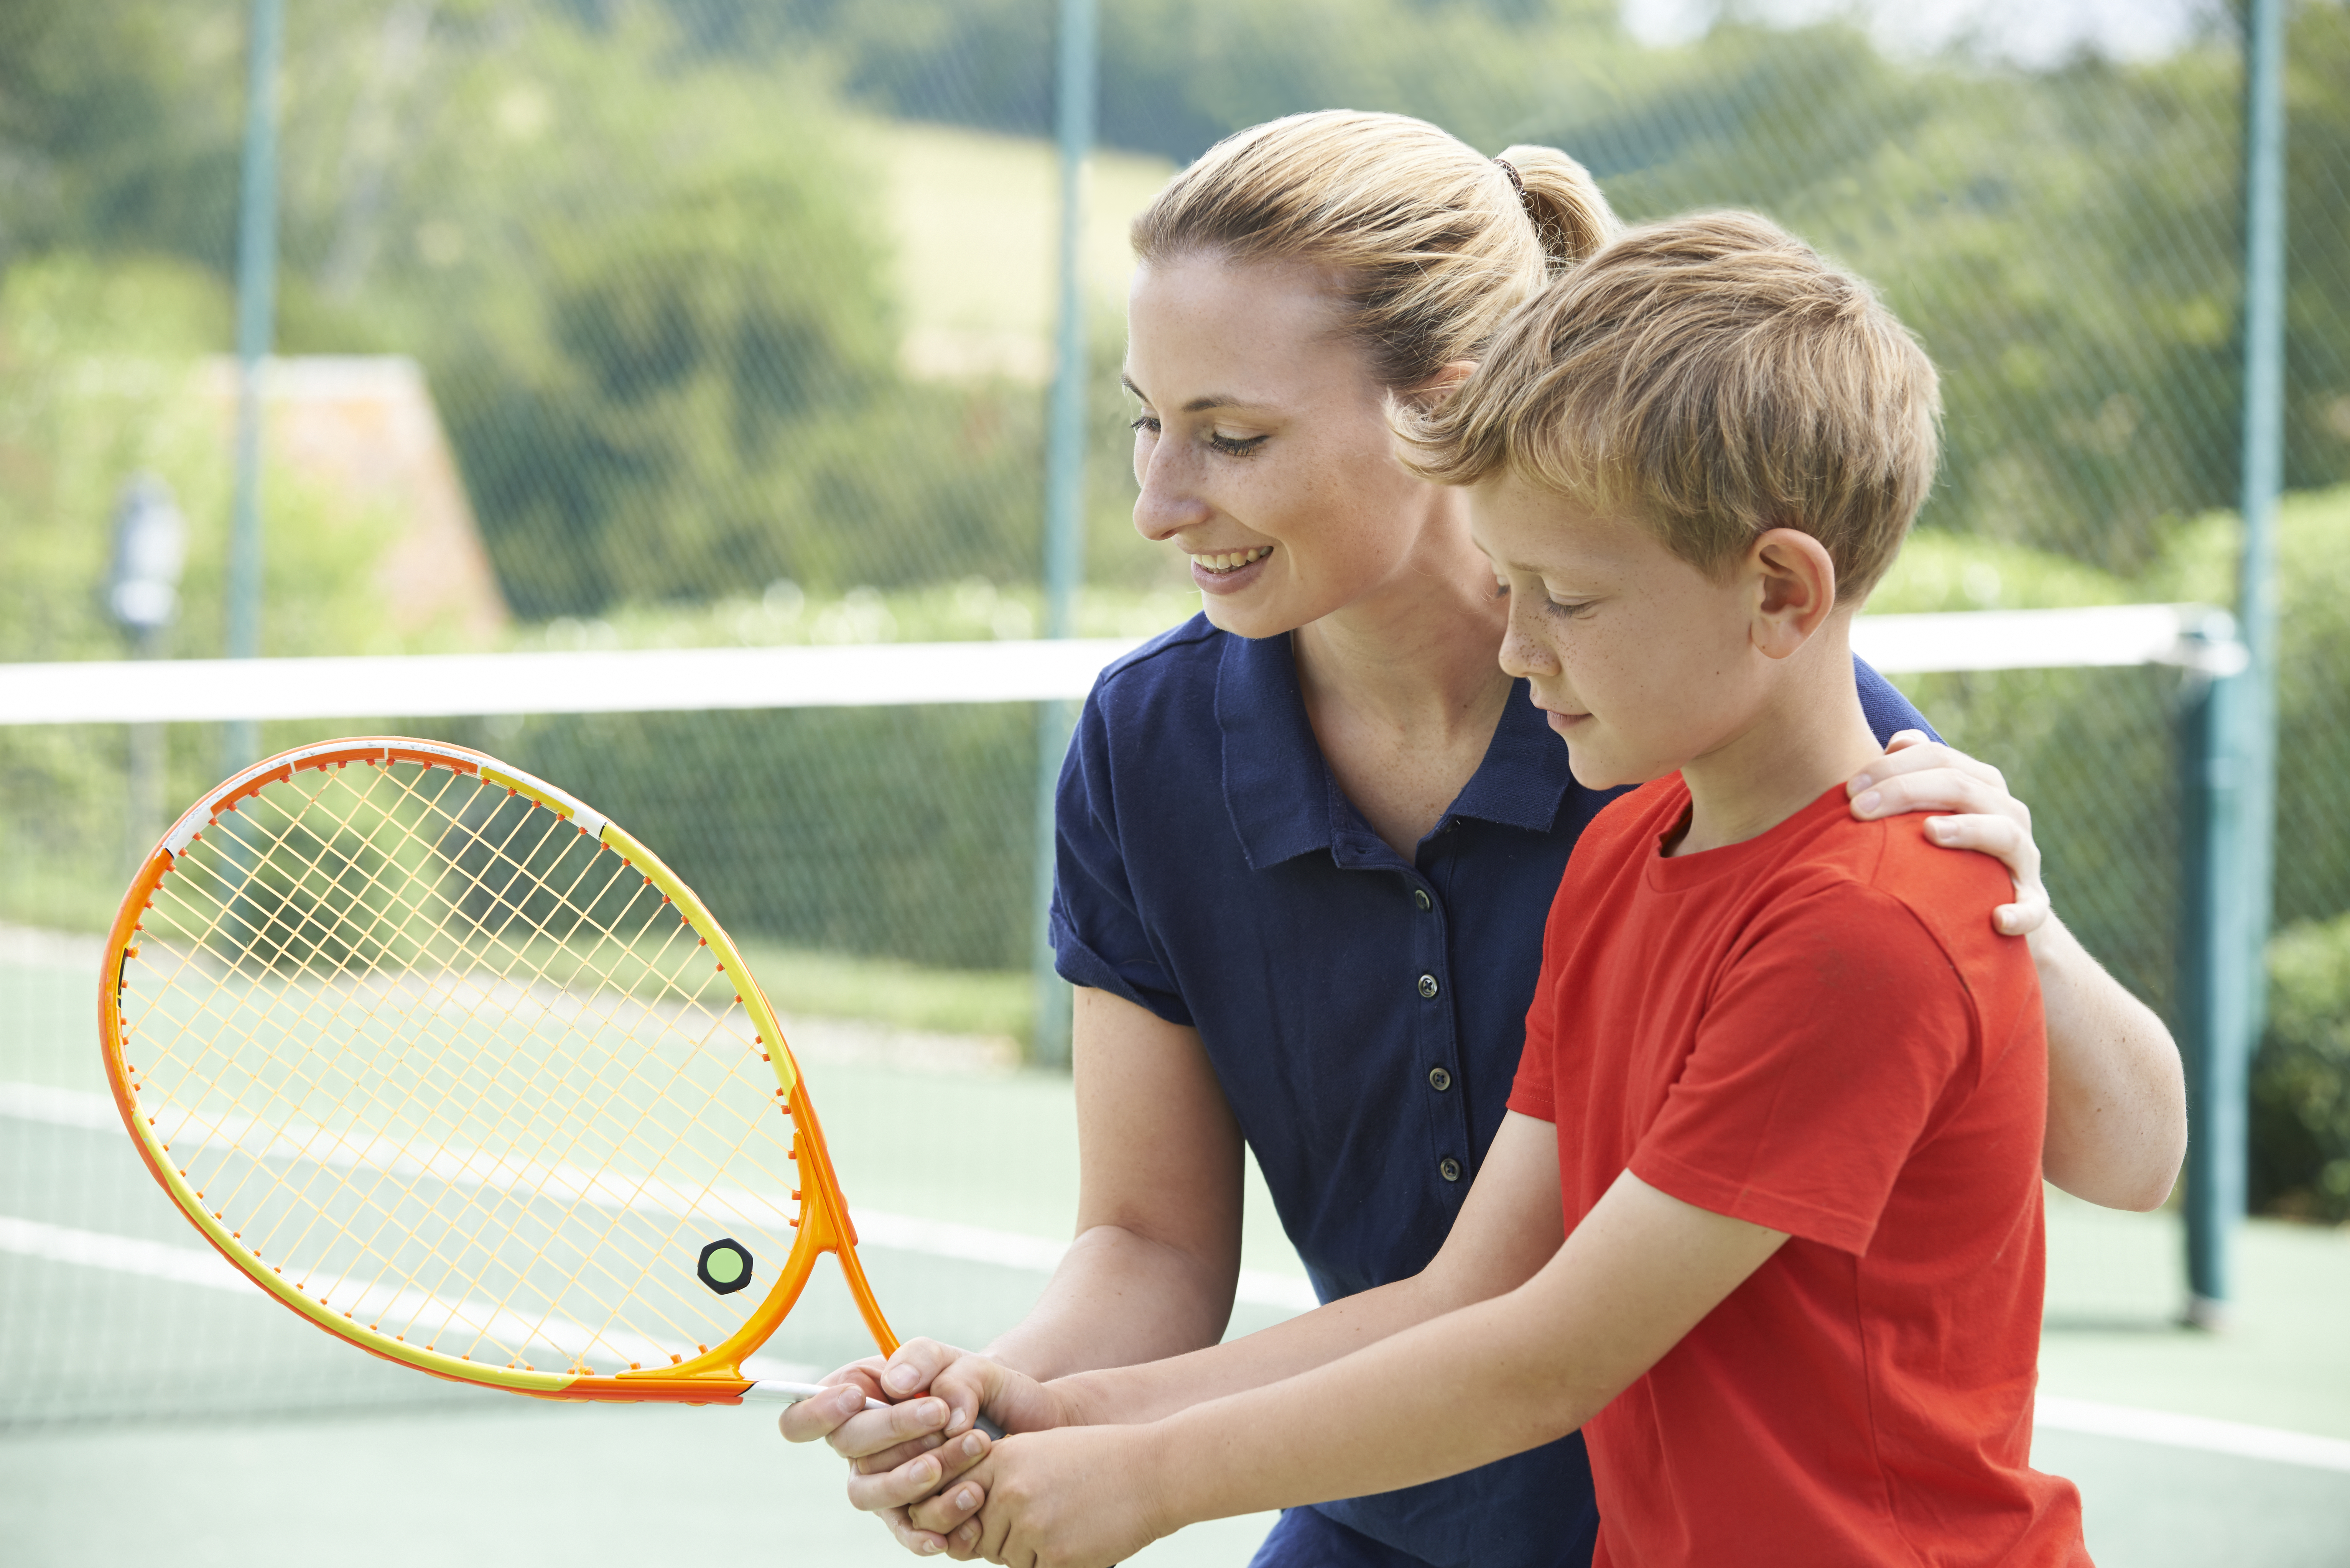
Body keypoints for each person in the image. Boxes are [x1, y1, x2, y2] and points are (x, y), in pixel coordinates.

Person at [783, 112, 2182, 1568]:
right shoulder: (1555, 821)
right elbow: (1446, 1289)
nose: (1157, 501)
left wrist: (2011, 899)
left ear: (1439, 414)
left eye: (1234, 435)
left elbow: (1551, 1346)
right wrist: (1049, 1412)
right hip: (1397, 1497)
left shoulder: (1758, 754)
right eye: (1147, 416)